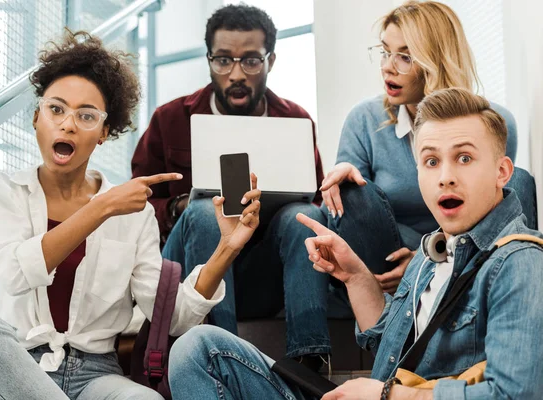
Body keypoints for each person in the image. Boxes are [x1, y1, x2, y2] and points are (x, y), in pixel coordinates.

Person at [168, 87, 543, 400]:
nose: (445, 177)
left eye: (463, 158)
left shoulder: (519, 262)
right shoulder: (432, 252)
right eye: (431, 162)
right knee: (198, 348)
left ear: (502, 172)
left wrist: (389, 395)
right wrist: (355, 277)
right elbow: (387, 350)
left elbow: (515, 394)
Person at [0, 30, 262, 400]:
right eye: (56, 109)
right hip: (18, 369)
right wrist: (101, 208)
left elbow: (172, 316)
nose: (67, 124)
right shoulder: (3, 191)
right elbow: (17, 274)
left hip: (95, 374)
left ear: (103, 133)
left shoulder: (133, 212)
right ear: (36, 118)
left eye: (86, 115)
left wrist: (227, 248)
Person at [131, 4, 330, 368]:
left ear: (271, 60)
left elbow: (316, 202)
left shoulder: (296, 121)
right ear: (209, 60)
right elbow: (137, 204)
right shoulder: (170, 119)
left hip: (262, 272)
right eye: (223, 60)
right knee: (208, 212)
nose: (236, 73)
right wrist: (178, 208)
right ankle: (221, 358)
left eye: (251, 61)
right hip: (192, 273)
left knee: (304, 215)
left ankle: (311, 362)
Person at [319, 1, 536, 296]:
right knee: (352, 189)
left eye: (404, 57)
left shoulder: (494, 123)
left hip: (462, 252)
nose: (387, 67)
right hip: (387, 252)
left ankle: (506, 290)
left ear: (437, 60)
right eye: (385, 52)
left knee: (519, 180)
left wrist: (426, 256)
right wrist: (342, 178)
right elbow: (352, 220)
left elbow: (489, 215)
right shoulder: (364, 119)